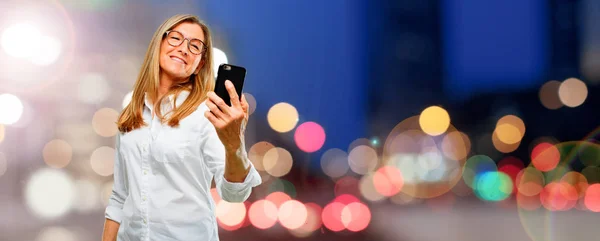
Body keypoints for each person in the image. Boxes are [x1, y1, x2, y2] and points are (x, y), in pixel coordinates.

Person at [101, 14, 261, 241]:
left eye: (195, 46)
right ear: (159, 44)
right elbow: (119, 197)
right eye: (175, 38)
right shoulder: (131, 115)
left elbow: (234, 194)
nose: (184, 49)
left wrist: (234, 141)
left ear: (200, 65)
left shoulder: (206, 114)